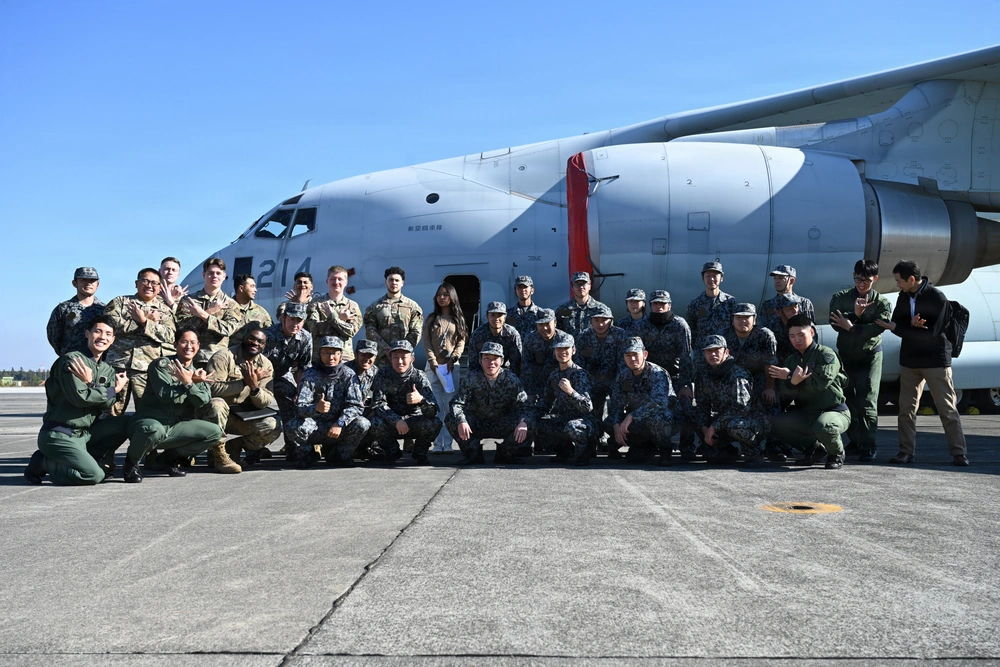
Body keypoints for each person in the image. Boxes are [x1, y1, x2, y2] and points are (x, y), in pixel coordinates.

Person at [877, 260, 969, 466]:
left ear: (911, 279)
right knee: (906, 409)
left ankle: (959, 453)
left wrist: (901, 328)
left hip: (935, 360)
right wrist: (910, 325)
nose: (897, 285)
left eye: (899, 281)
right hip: (910, 360)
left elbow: (931, 333)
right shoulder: (903, 296)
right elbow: (897, 321)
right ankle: (906, 452)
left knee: (946, 408)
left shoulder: (937, 297)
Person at [25, 316, 129, 485]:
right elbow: (80, 398)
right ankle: (44, 463)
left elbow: (107, 404)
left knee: (127, 423)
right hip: (60, 433)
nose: (103, 337)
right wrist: (113, 390)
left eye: (108, 334)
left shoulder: (107, 369)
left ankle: (92, 457)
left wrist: (92, 384)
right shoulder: (73, 361)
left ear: (113, 339)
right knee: (94, 476)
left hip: (85, 434)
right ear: (87, 333)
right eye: (98, 331)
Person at [124, 326, 231, 483]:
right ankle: (131, 463)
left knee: (214, 432)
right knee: (154, 430)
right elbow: (164, 395)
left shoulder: (197, 372)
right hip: (150, 422)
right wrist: (187, 383)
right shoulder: (161, 365)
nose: (189, 347)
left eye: (193, 343)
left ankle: (168, 459)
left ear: (198, 346)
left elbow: (202, 401)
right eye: (184, 342)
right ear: (175, 344)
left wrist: (190, 383)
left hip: (175, 426)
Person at [767, 313, 851, 469]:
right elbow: (785, 391)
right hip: (808, 413)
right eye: (792, 336)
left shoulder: (826, 355)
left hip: (834, 411)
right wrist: (792, 381)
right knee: (775, 422)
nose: (796, 340)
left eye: (800, 334)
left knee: (824, 426)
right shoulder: (791, 360)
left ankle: (836, 454)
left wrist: (791, 377)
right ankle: (814, 449)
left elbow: (819, 385)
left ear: (811, 332)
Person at [829, 260, 893, 462]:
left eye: (866, 280)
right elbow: (834, 322)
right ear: (853, 276)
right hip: (846, 355)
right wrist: (854, 315)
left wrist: (851, 327)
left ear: (875, 279)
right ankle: (855, 441)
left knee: (867, 401)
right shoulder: (841, 298)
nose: (861, 284)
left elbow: (877, 328)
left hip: (869, 356)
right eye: (858, 279)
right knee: (847, 399)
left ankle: (869, 445)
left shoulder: (882, 303)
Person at [202, 324, 279, 469]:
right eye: (252, 339)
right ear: (244, 338)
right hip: (218, 415)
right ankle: (218, 455)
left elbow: (266, 400)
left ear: (264, 346)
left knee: (273, 425)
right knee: (217, 404)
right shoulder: (223, 357)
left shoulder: (266, 364)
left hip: (244, 416)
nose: (255, 343)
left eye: (260, 342)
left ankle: (233, 447)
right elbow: (212, 389)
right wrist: (245, 382)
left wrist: (254, 387)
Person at [288, 336, 370, 469]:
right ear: (320, 354)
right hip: (316, 425)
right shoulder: (309, 375)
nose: (331, 357)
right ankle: (309, 454)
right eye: (326, 353)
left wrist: (340, 422)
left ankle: (340, 455)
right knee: (293, 426)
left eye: (335, 353)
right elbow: (300, 407)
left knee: (363, 423)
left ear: (340, 355)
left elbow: (356, 406)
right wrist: (316, 408)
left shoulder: (349, 375)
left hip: (339, 426)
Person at [104, 268, 177, 416]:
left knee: (147, 413)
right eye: (145, 281)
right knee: (109, 412)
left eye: (155, 283)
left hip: (148, 369)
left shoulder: (165, 310)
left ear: (159, 287)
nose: (149, 285)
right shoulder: (120, 302)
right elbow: (110, 326)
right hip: (118, 366)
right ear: (136, 283)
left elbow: (170, 336)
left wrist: (145, 322)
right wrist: (141, 322)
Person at [446, 342, 532, 465]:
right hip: (477, 423)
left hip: (503, 423)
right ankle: (473, 452)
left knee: (530, 423)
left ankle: (506, 453)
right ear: (480, 360)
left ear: (501, 361)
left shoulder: (511, 380)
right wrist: (462, 420)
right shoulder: (472, 379)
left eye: (495, 358)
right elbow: (457, 403)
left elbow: (526, 406)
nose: (491, 362)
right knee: (451, 419)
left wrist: (523, 421)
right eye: (486, 358)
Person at [634, 290, 696, 458]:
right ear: (650, 306)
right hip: (650, 378)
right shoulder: (641, 326)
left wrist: (685, 385)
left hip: (675, 378)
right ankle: (648, 444)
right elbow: (636, 355)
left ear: (669, 305)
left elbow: (686, 357)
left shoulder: (680, 325)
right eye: (655, 304)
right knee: (644, 409)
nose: (659, 307)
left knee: (686, 407)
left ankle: (687, 446)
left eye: (662, 304)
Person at [695, 335, 767, 467]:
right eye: (709, 351)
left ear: (726, 352)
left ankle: (754, 453)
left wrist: (714, 426)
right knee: (694, 417)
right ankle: (727, 451)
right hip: (723, 421)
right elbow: (702, 405)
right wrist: (705, 428)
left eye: (717, 350)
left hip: (751, 421)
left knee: (735, 426)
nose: (713, 354)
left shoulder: (738, 374)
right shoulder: (704, 375)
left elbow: (741, 408)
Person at [724, 303, 783, 461]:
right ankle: (737, 445)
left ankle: (774, 447)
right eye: (738, 317)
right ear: (732, 320)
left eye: (746, 318)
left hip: (761, 379)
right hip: (735, 382)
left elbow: (770, 363)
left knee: (772, 408)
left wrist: (770, 388)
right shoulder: (726, 336)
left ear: (754, 319)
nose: (743, 321)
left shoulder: (765, 335)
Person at [606, 338, 676, 466]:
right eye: (628, 355)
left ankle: (666, 451)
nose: (632, 359)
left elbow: (659, 403)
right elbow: (616, 404)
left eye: (635, 355)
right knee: (608, 422)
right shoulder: (623, 376)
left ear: (645, 354)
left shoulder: (657, 373)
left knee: (660, 418)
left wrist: (631, 416)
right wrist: (616, 427)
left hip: (665, 419)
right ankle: (644, 445)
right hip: (639, 421)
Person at [369, 340, 441, 465]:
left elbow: (433, 410)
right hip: (392, 422)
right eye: (395, 357)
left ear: (412, 359)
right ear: (390, 358)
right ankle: (392, 452)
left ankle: (420, 453)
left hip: (414, 421)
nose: (400, 361)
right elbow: (378, 404)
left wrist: (421, 400)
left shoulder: (419, 376)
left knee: (434, 423)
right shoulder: (383, 374)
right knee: (375, 422)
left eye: (404, 357)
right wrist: (397, 420)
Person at [536, 333, 597, 466]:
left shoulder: (579, 374)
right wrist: (528, 418)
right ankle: (566, 449)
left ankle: (584, 452)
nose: (562, 352)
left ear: (573, 350)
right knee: (538, 424)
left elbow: (587, 407)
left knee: (572, 426)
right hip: (565, 418)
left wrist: (571, 392)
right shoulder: (554, 375)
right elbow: (546, 403)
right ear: (554, 352)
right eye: (558, 349)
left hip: (586, 422)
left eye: (566, 349)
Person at [262, 302, 313, 461]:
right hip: (262, 376)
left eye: (299, 320)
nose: (295, 324)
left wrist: (300, 392)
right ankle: (254, 451)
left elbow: (303, 368)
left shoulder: (305, 337)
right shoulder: (268, 335)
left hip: (284, 374)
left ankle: (293, 450)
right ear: (283, 318)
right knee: (256, 406)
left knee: (293, 404)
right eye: (292, 319)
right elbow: (257, 364)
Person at [574, 304, 628, 451]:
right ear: (591, 321)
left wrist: (619, 384)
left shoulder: (620, 335)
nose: (600, 324)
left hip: (615, 380)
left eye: (604, 320)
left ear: (611, 321)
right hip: (592, 381)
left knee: (617, 407)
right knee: (591, 408)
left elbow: (624, 364)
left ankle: (614, 442)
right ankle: (593, 438)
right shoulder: (584, 337)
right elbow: (579, 365)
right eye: (596, 320)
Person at [422, 282, 468, 452]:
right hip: (433, 367)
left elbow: (461, 341)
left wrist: (453, 358)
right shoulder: (431, 319)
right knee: (435, 406)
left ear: (452, 297)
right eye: (439, 294)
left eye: (445, 294)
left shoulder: (458, 319)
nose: (442, 297)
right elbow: (426, 341)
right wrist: (433, 361)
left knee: (449, 406)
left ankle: (448, 444)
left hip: (450, 367)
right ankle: (436, 444)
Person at [175, 258, 243, 365]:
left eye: (218, 273)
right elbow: (182, 328)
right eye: (210, 273)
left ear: (224, 276)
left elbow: (227, 329)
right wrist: (210, 311)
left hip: (217, 359)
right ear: (203, 275)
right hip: (190, 358)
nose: (214, 276)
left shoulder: (231, 304)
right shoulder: (189, 300)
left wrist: (202, 314)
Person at [364, 267, 423, 366]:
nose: (394, 283)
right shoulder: (376, 306)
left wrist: (401, 350)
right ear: (386, 282)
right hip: (382, 359)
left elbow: (416, 331)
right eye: (390, 280)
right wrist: (385, 349)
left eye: (397, 280)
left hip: (404, 359)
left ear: (402, 283)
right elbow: (370, 330)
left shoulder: (412, 306)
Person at [307, 265, 363, 363]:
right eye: (333, 279)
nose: (336, 282)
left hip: (345, 359)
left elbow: (351, 331)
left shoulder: (352, 306)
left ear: (346, 282)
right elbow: (313, 328)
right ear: (327, 281)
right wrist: (339, 319)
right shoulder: (316, 303)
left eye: (340, 279)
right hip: (321, 359)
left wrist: (332, 317)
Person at [46, 267, 106, 357]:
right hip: (71, 361)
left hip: (97, 362)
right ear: (74, 283)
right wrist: (66, 353)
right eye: (83, 280)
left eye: (92, 280)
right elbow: (53, 336)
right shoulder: (63, 309)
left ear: (97, 284)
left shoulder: (105, 310)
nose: (88, 283)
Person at [686, 261, 736, 346]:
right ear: (703, 279)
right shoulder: (695, 304)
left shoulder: (730, 302)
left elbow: (734, 328)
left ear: (721, 278)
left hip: (723, 353)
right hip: (702, 353)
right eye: (708, 276)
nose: (711, 279)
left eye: (715, 276)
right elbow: (690, 330)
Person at [520, 309, 564, 406]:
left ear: (555, 323)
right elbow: (526, 368)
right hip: (538, 386)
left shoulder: (563, 339)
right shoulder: (530, 339)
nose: (544, 328)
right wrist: (528, 392)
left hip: (560, 385)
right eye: (540, 324)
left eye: (548, 324)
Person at [468, 301, 522, 376]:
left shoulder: (512, 334)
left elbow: (516, 363)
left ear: (505, 317)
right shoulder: (478, 334)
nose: (496, 318)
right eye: (493, 315)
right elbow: (473, 363)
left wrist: (511, 380)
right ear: (487, 316)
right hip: (483, 374)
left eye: (499, 315)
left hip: (505, 373)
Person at [348, 339, 380, 459]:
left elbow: (378, 396)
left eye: (370, 355)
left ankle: (367, 447)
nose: (366, 359)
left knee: (379, 416)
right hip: (346, 414)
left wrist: (373, 410)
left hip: (364, 411)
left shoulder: (375, 372)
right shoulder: (345, 371)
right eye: (363, 355)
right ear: (356, 354)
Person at [554, 271, 608, 338]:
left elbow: (608, 334)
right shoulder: (562, 310)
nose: (581, 287)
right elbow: (556, 334)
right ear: (572, 287)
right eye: (577, 284)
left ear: (590, 286)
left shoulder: (601, 309)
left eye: (584, 284)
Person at [230, 274, 273, 349]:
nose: (255, 290)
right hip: (230, 357)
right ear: (241, 288)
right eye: (252, 286)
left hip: (252, 357)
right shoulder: (226, 309)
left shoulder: (261, 312)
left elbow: (271, 333)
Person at [507, 275, 543, 342]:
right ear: (515, 291)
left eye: (525, 287)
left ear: (532, 290)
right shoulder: (508, 314)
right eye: (519, 287)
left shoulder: (540, 314)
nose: (523, 290)